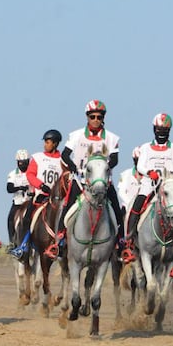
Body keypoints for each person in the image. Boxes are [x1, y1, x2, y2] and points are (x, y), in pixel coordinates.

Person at [49, 100, 122, 259]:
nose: (96, 119)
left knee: (116, 208)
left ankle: (121, 243)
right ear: (87, 117)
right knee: (67, 206)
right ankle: (60, 240)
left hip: (102, 182)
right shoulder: (76, 135)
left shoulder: (111, 138)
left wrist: (107, 166)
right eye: (92, 116)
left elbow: (115, 158)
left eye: (99, 116)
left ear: (103, 117)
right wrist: (72, 166)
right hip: (80, 180)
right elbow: (65, 154)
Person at [123, 113, 173, 262]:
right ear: (154, 129)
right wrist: (150, 172)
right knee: (135, 207)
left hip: (169, 187)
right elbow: (140, 166)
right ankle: (129, 241)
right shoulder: (145, 148)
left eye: (165, 130)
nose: (162, 133)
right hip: (149, 185)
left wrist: (171, 177)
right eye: (159, 130)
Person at [8, 129, 64, 259]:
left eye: (48, 142)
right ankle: (23, 246)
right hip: (40, 196)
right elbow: (30, 174)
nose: (45, 144)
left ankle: (63, 246)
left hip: (57, 198)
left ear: (55, 144)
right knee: (27, 218)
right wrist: (41, 185)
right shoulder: (38, 157)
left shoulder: (62, 160)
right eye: (45, 142)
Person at [5, 148, 32, 249]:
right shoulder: (13, 174)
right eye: (21, 162)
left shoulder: (32, 172)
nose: (23, 164)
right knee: (10, 219)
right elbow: (9, 188)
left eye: (25, 162)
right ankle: (12, 241)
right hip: (18, 202)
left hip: (30, 201)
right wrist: (20, 187)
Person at [117, 146, 142, 213]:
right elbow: (121, 192)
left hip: (143, 208)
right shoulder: (125, 174)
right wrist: (131, 204)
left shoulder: (149, 176)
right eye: (137, 160)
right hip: (127, 207)